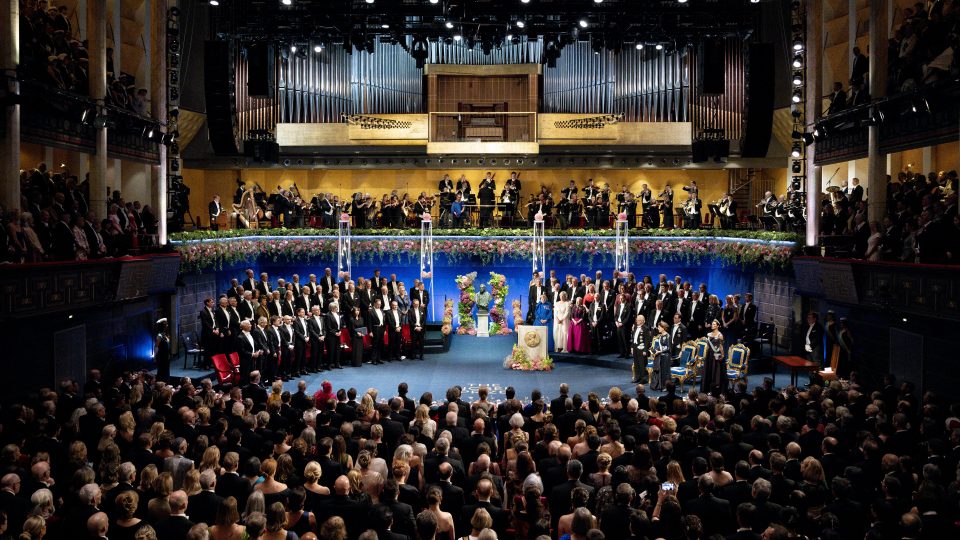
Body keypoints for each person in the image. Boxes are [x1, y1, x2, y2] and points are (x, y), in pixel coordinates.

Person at [701, 320, 726, 393]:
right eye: (712, 324)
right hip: (709, 355)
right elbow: (708, 346)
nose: (712, 325)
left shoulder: (720, 335)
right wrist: (705, 354)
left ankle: (715, 389)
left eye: (714, 324)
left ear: (718, 326)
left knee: (715, 371)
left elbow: (721, 346)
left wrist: (723, 355)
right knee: (709, 370)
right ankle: (708, 389)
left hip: (716, 354)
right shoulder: (709, 334)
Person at [650, 321, 672, 391]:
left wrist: (659, 351)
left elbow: (668, 348)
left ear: (663, 328)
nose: (658, 328)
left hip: (666, 356)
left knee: (665, 372)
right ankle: (661, 385)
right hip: (661, 356)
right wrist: (655, 350)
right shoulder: (661, 336)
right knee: (661, 371)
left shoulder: (668, 336)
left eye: (659, 327)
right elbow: (661, 346)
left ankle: (666, 386)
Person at [153, 318, 171, 383]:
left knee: (166, 371)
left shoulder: (165, 334)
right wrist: (155, 356)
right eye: (166, 324)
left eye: (167, 324)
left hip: (166, 356)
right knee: (161, 371)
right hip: (161, 357)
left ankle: (166, 382)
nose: (167, 325)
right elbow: (156, 347)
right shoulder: (159, 335)